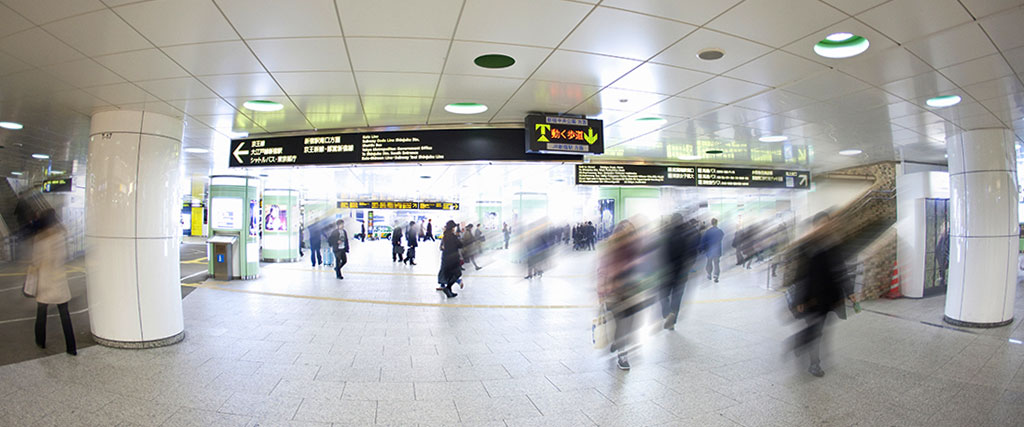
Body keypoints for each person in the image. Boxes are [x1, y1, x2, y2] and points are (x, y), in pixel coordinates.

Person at [789, 211, 853, 377]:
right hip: (810, 297)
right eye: (821, 223)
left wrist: (849, 292)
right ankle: (814, 363)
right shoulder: (807, 246)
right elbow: (800, 274)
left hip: (829, 296)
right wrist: (798, 299)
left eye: (827, 222)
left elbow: (841, 270)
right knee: (816, 330)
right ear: (815, 226)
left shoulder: (834, 244)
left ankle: (801, 341)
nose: (825, 226)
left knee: (820, 329)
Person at [598, 220, 643, 370]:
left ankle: (618, 343)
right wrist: (601, 292)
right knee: (620, 323)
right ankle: (622, 354)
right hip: (614, 293)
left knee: (630, 324)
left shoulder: (636, 248)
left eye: (630, 232)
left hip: (631, 292)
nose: (628, 236)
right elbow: (602, 270)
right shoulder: (609, 247)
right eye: (624, 233)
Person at [32, 210, 76, 355]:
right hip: (59, 281)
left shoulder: (40, 239)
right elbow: (66, 256)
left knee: (41, 313)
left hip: (45, 282)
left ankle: (41, 342)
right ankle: (71, 347)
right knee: (65, 315)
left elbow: (35, 261)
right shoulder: (61, 236)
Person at [660, 214, 698, 330]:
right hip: (681, 272)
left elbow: (661, 253)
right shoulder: (688, 235)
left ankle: (667, 313)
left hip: (667, 272)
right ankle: (673, 319)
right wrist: (688, 267)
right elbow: (693, 253)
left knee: (663, 294)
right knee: (677, 296)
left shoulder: (666, 234)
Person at [437, 220, 463, 298]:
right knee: (458, 273)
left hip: (446, 258)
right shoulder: (453, 236)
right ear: (452, 228)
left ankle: (449, 292)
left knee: (449, 274)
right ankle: (448, 288)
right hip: (453, 259)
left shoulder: (445, 236)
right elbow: (460, 245)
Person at [700, 218, 724, 283]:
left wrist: (702, 249)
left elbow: (703, 240)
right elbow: (721, 238)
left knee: (709, 262)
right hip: (717, 250)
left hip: (709, 250)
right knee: (716, 263)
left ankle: (709, 274)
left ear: (711, 223)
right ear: (717, 223)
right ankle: (716, 275)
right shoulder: (720, 231)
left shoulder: (708, 232)